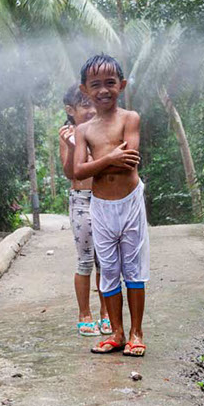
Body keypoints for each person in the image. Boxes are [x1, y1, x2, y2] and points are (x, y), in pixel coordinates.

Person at [72, 54, 148, 357]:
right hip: (101, 206)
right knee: (108, 269)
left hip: (130, 202)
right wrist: (111, 158)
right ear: (85, 89)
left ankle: (136, 333)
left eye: (110, 82)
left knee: (134, 269)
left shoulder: (130, 118)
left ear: (122, 85)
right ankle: (116, 333)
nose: (103, 90)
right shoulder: (83, 130)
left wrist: (97, 163)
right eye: (95, 85)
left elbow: (130, 160)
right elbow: (78, 172)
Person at [58, 85, 111, 337]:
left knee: (106, 261)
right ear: (71, 110)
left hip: (105, 198)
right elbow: (71, 173)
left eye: (93, 104)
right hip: (81, 201)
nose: (91, 110)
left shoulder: (105, 129)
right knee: (85, 260)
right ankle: (84, 314)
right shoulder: (67, 134)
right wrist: (71, 147)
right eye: (85, 105)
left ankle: (106, 313)